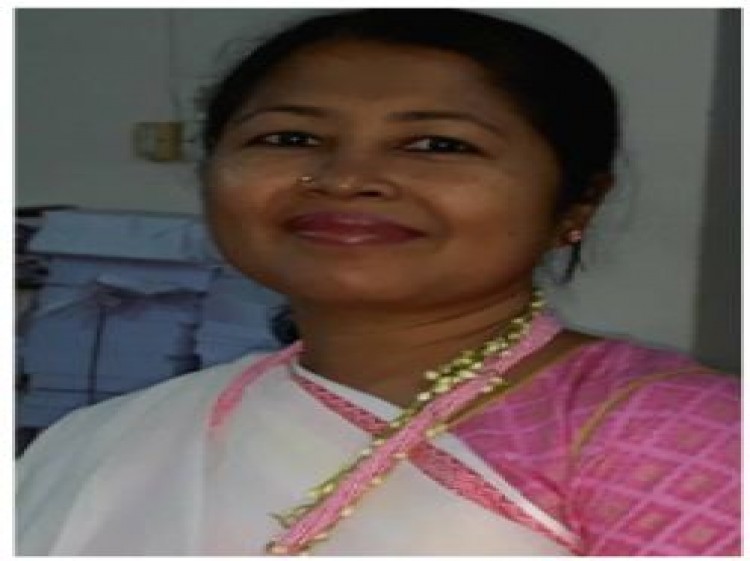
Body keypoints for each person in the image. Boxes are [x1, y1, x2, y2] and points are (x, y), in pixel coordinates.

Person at [16, 9, 740, 556]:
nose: (346, 178)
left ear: (577, 203)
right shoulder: (101, 441)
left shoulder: (670, 431)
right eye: (289, 138)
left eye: (438, 145)